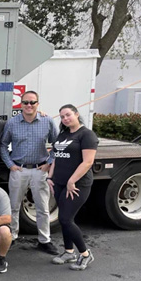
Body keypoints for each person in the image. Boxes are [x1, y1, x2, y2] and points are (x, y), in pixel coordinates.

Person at [0, 90, 59, 255]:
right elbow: (3, 145)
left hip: (40, 170)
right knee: (13, 206)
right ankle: (12, 236)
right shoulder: (12, 123)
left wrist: (49, 162)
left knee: (42, 208)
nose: (29, 105)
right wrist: (10, 164)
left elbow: (58, 144)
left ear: (38, 104)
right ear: (21, 104)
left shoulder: (47, 121)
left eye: (32, 102)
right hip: (19, 169)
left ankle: (44, 240)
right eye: (25, 102)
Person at [47, 104, 98, 270]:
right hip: (60, 183)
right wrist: (50, 177)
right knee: (64, 218)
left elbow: (88, 162)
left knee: (65, 219)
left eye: (68, 115)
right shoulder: (63, 134)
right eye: (62, 117)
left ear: (76, 114)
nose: (65, 119)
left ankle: (85, 254)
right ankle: (69, 252)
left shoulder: (87, 135)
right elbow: (56, 156)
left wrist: (72, 181)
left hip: (77, 185)